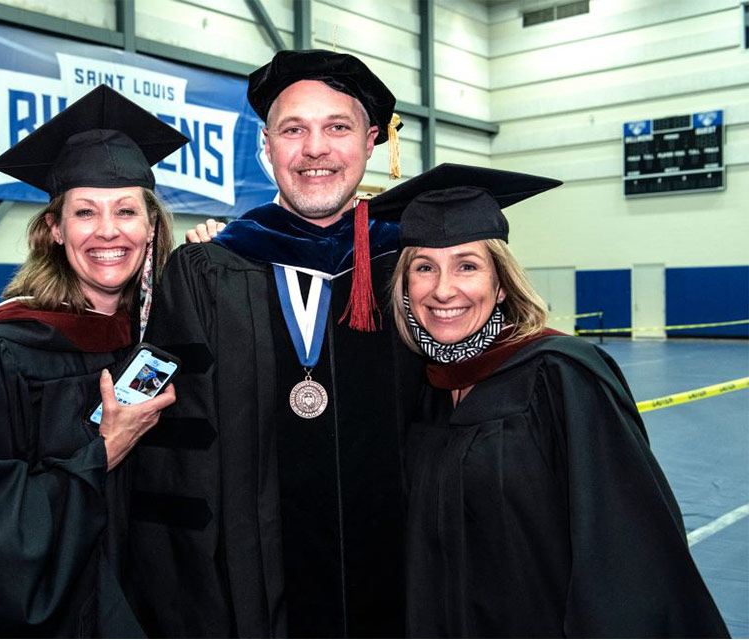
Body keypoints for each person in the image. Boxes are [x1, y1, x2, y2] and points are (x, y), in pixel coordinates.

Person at [124, 50, 424, 638]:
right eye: (294, 129)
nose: (315, 149)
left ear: (370, 143)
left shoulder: (414, 267)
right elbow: (166, 451)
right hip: (255, 594)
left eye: (337, 127)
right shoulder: (205, 272)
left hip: (406, 582)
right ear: (267, 146)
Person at [382, 163, 729, 637]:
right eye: (424, 267)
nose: (444, 289)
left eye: (467, 265)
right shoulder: (426, 390)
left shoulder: (561, 374)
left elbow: (626, 551)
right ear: (405, 286)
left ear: (501, 284)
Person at [0, 85, 188, 637]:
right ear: (55, 229)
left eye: (127, 211)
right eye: (84, 212)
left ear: (153, 227)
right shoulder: (3, 351)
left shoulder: (152, 338)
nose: (108, 231)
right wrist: (104, 452)